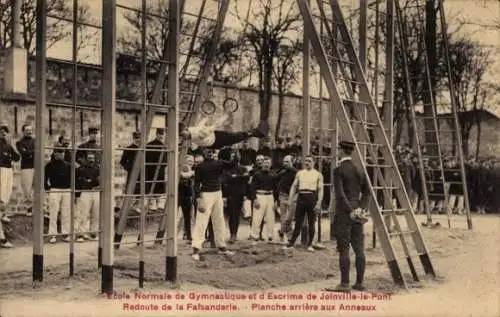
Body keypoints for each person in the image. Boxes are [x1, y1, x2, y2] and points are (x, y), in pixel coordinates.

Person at [326, 140, 370, 292]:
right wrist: (360, 209)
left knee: (343, 248)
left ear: (341, 151)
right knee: (359, 248)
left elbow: (340, 194)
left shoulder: (338, 170)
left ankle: (344, 283)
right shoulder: (360, 169)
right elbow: (367, 192)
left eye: (338, 149)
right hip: (357, 210)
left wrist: (350, 210)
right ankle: (359, 283)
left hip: (345, 212)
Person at [191, 148, 235, 261]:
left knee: (219, 219)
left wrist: (235, 156)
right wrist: (198, 198)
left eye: (211, 150)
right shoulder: (200, 166)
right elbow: (196, 184)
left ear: (214, 152)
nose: (209, 152)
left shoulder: (219, 163)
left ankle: (221, 246)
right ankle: (196, 248)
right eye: (207, 150)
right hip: (205, 194)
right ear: (204, 153)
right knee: (201, 221)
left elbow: (232, 165)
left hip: (217, 193)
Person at [283, 155, 323, 251]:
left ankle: (309, 244)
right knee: (298, 222)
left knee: (311, 222)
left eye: (309, 161)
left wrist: (318, 203)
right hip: (301, 197)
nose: (307, 163)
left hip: (312, 197)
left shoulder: (318, 174)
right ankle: (291, 242)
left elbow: (321, 190)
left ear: (314, 162)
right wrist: (290, 199)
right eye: (306, 161)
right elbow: (293, 187)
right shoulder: (300, 173)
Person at [179, 115, 269, 150]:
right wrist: (205, 118)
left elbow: (215, 126)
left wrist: (224, 117)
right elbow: (200, 125)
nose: (183, 137)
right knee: (236, 138)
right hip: (213, 144)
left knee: (236, 137)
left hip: (217, 139)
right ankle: (255, 133)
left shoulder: (198, 134)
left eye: (183, 134)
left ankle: (257, 133)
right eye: (181, 135)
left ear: (186, 129)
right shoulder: (192, 130)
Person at [45, 145, 72, 243]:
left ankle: (65, 233)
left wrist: (71, 188)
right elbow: (44, 178)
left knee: (66, 212)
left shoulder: (68, 165)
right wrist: (47, 188)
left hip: (67, 190)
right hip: (55, 190)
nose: (61, 154)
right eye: (59, 152)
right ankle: (53, 234)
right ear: (55, 153)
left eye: (62, 152)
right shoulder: (49, 165)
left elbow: (73, 178)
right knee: (53, 212)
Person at [249, 157, 279, 244]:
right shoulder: (257, 175)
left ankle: (270, 237)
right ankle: (254, 236)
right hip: (259, 196)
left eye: (268, 163)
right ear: (262, 164)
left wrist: (276, 201)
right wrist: (254, 199)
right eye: (264, 163)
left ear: (271, 164)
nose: (266, 164)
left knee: (271, 217)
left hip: (270, 196)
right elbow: (252, 188)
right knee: (257, 217)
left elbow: (276, 189)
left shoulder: (274, 175)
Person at [222, 150, 250, 243]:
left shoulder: (243, 168)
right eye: (232, 156)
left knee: (237, 214)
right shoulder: (227, 169)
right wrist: (240, 177)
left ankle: (235, 234)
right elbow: (227, 178)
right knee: (231, 214)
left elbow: (246, 178)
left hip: (240, 193)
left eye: (236, 156)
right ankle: (232, 235)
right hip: (230, 193)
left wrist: (235, 177)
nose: (234, 158)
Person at [75, 152, 100, 242]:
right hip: (85, 192)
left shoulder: (98, 169)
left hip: (96, 192)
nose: (91, 160)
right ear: (85, 159)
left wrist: (93, 182)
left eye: (92, 158)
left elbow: (99, 181)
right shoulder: (80, 169)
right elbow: (79, 182)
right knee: (83, 214)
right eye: (89, 158)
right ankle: (81, 234)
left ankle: (93, 233)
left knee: (96, 214)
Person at [0, 123, 20, 224]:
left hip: (8, 170)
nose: (3, 132)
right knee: (2, 192)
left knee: (7, 191)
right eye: (1, 130)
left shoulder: (8, 145)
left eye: (5, 131)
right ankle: (2, 214)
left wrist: (11, 147)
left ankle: (3, 213)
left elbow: (17, 157)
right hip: (1, 170)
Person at [275, 155, 298, 244]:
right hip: (282, 196)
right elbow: (275, 180)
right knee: (283, 217)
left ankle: (281, 231)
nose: (285, 164)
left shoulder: (296, 173)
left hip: (292, 197)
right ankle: (289, 237)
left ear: (292, 162)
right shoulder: (282, 172)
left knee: (289, 218)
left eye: (287, 162)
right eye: (284, 162)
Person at [16, 123, 35, 216]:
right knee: (27, 189)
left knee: (38, 188)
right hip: (26, 167)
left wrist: (30, 153)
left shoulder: (36, 140)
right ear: (23, 131)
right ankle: (29, 209)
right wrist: (33, 151)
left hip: (36, 166)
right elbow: (24, 154)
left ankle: (42, 209)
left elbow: (39, 151)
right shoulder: (19, 143)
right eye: (27, 130)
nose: (29, 132)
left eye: (30, 130)